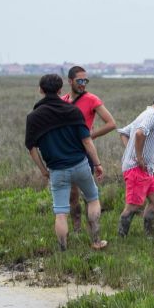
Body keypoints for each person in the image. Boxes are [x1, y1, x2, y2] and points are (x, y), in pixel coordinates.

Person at [25, 74, 107, 251]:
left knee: (61, 212)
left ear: (40, 90)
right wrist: (98, 163)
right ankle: (96, 241)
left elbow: (32, 149)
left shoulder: (33, 117)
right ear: (60, 90)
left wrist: (43, 170)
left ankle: (63, 250)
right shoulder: (72, 111)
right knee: (93, 200)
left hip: (57, 170)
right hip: (80, 165)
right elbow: (87, 141)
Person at [61, 66, 116, 232]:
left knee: (88, 194)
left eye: (86, 81)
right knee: (72, 195)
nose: (83, 84)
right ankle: (77, 229)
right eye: (79, 81)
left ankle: (93, 229)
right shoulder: (62, 100)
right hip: (66, 152)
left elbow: (111, 123)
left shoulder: (92, 99)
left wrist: (92, 136)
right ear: (70, 81)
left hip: (84, 152)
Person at [117, 92, 154, 237]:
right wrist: (138, 157)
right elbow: (139, 133)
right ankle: (121, 237)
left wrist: (131, 150)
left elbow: (124, 133)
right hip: (137, 169)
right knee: (133, 206)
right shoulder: (153, 115)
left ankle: (149, 233)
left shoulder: (145, 113)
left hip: (147, 170)